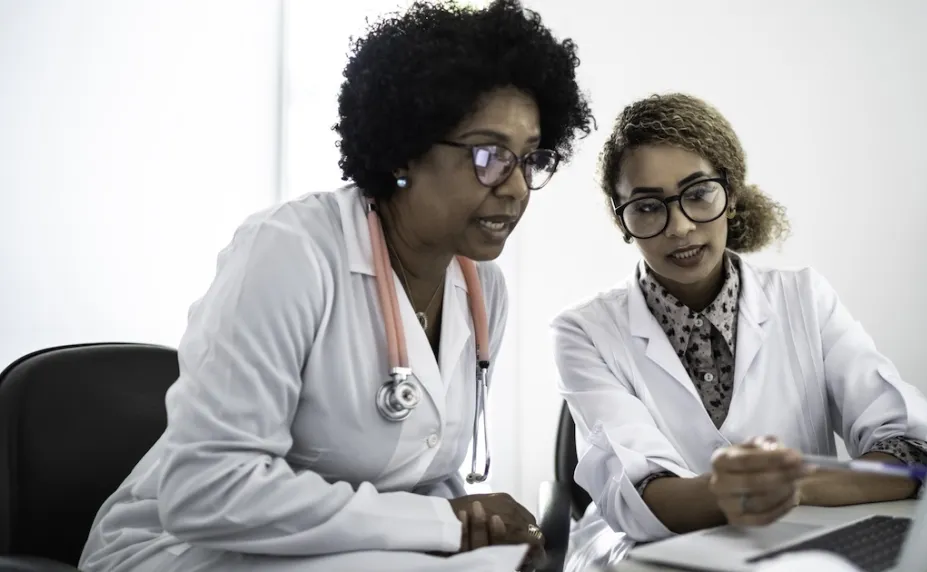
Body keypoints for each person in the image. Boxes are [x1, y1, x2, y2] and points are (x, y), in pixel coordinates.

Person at [79, 2, 593, 571]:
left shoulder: (480, 288)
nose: (517, 187)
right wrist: (440, 524)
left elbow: (416, 469)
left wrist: (472, 525)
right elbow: (207, 489)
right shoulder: (290, 251)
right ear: (405, 149)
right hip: (184, 552)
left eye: (530, 159)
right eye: (488, 155)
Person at [551, 93, 927, 571]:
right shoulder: (583, 330)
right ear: (623, 220)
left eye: (698, 194)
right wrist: (750, 490)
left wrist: (793, 488)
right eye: (648, 206)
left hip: (794, 552)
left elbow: (913, 448)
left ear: (731, 193)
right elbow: (636, 495)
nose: (678, 227)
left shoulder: (804, 297)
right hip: (645, 558)